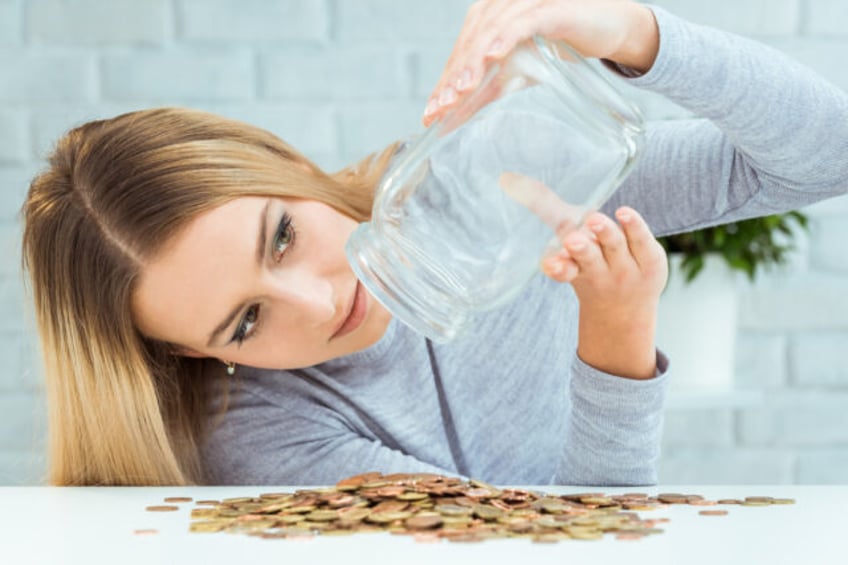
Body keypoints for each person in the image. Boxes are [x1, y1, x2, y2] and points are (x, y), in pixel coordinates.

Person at [21, 0, 848, 487]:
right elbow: (543, 548)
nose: (322, 297)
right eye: (243, 323)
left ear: (293, 167)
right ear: (198, 358)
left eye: (282, 235)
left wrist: (635, 35)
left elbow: (826, 153)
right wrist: (616, 348)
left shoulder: (495, 179)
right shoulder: (258, 433)